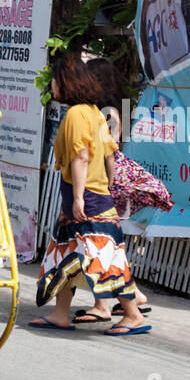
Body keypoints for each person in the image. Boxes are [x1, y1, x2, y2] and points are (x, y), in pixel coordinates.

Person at [31, 50, 148, 335]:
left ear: (65, 81)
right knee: (65, 256)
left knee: (103, 259)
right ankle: (60, 314)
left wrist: (81, 197)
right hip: (90, 195)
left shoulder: (76, 115)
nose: (52, 87)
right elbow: (110, 152)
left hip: (86, 198)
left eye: (55, 81)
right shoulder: (94, 111)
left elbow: (80, 157)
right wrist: (107, 186)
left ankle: (132, 314)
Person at [71, 56, 152, 325]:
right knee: (108, 245)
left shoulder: (104, 112)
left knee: (101, 244)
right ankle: (128, 296)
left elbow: (108, 152)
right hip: (107, 181)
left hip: (103, 182)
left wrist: (104, 185)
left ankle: (104, 303)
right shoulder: (111, 108)